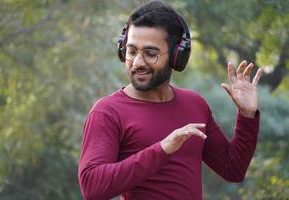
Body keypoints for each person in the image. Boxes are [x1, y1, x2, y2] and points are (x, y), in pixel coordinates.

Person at [78, 0, 262, 199]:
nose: (138, 62)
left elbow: (232, 169)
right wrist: (162, 149)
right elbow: (92, 187)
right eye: (131, 51)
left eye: (150, 53)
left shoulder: (195, 104)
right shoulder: (107, 112)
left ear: (176, 55)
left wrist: (247, 115)